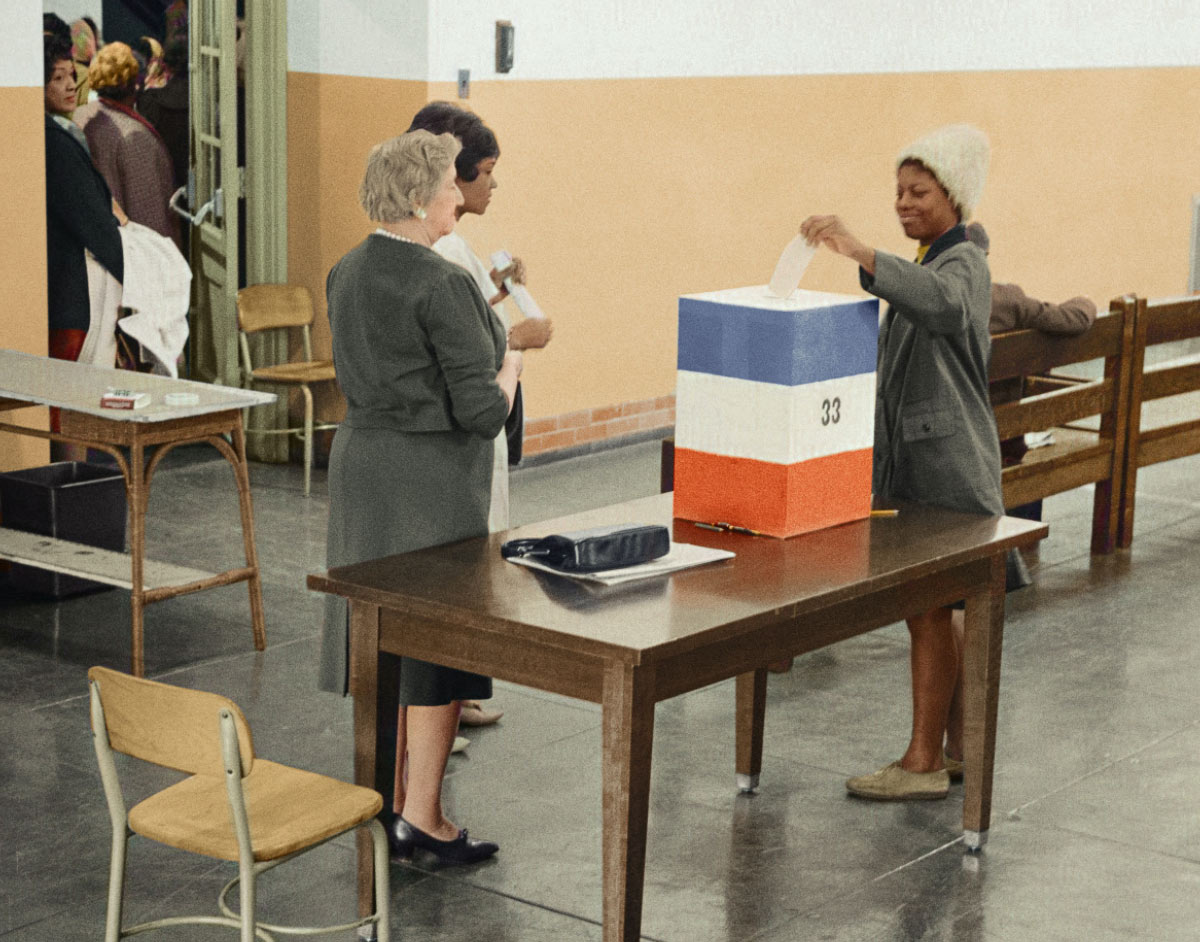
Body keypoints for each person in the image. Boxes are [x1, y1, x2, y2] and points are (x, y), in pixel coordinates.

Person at [801, 123, 1029, 801]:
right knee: (942, 608)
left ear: (954, 194)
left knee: (930, 610)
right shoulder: (934, 258)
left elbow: (943, 306)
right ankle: (953, 749)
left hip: (946, 468)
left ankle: (921, 761)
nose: (904, 202)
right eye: (898, 191)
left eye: (919, 191)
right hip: (938, 462)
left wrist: (859, 250)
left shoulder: (961, 266)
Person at [319, 130, 521, 863]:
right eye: (445, 186)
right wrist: (513, 369)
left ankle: (383, 800)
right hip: (430, 482)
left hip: (363, 466)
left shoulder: (347, 270)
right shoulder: (442, 281)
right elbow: (482, 412)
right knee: (433, 646)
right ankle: (424, 814)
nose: (454, 197)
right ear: (415, 197)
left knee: (380, 640)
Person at [407, 101, 554, 731]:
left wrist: (497, 296)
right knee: (463, 565)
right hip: (464, 424)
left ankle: (453, 695)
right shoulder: (430, 251)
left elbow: (468, 317)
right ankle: (436, 706)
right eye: (484, 172)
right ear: (452, 177)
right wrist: (519, 340)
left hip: (472, 421)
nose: (490, 186)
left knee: (478, 558)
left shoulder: (451, 248)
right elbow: (468, 346)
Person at [44, 32, 126, 460]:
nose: (70, 85)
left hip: (67, 284)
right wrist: (126, 259)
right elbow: (88, 215)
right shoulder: (53, 143)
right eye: (58, 78)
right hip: (68, 288)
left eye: (72, 75)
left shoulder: (61, 134)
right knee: (71, 398)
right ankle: (73, 484)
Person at [74, 43, 176, 242]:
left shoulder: (83, 114)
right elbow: (149, 214)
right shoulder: (133, 135)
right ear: (134, 82)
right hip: (130, 248)